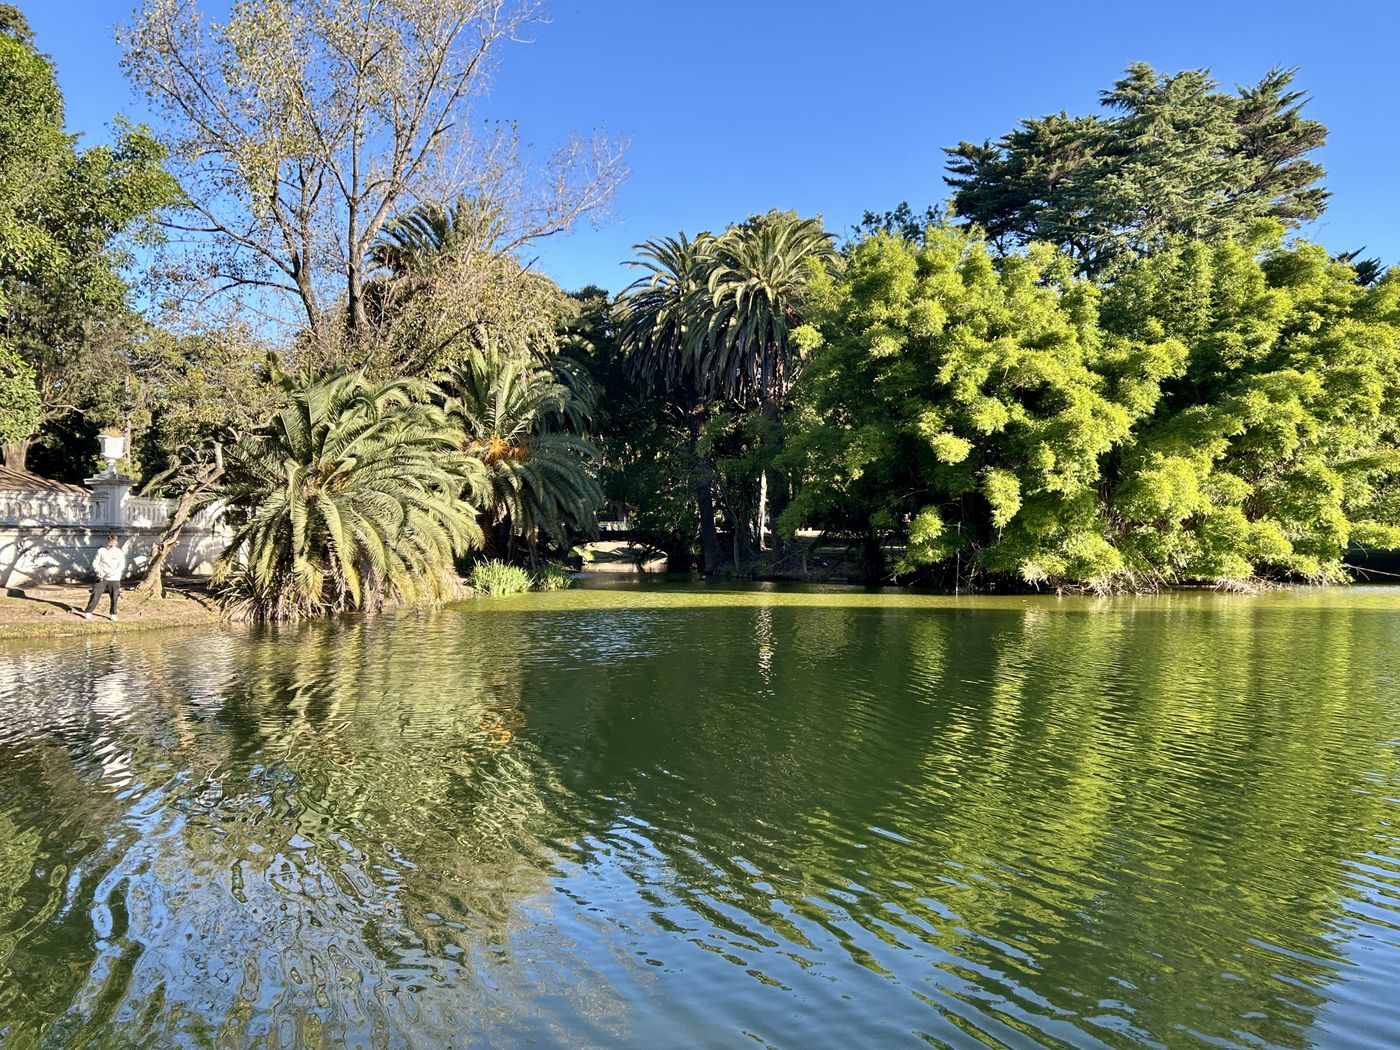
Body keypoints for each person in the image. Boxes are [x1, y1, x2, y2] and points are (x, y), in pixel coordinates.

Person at [81, 534, 126, 621]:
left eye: (113, 542)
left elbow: (121, 565)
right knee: (95, 594)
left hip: (114, 578)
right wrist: (98, 571)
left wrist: (113, 572)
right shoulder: (101, 551)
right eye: (110, 542)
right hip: (102, 577)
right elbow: (95, 563)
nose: (111, 544)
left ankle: (113, 614)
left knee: (114, 596)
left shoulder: (119, 552)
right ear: (107, 542)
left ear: (116, 543)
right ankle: (88, 611)